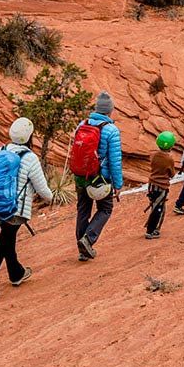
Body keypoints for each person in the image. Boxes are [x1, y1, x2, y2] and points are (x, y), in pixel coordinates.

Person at [0, 117, 52, 301]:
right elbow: (41, 188)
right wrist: (50, 198)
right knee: (2, 246)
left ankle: (16, 273)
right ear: (29, 137)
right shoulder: (30, 158)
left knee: (7, 240)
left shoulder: (0, 150)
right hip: (16, 210)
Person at [75, 91, 124, 262]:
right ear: (110, 111)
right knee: (105, 209)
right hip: (100, 179)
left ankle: (82, 250)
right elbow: (115, 161)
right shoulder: (111, 130)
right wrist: (118, 185)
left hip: (81, 176)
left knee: (83, 211)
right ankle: (87, 240)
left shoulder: (82, 124)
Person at [145, 131, 176, 239]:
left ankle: (151, 228)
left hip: (152, 184)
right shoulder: (169, 159)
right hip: (161, 186)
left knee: (154, 205)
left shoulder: (153, 155)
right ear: (171, 146)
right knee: (159, 208)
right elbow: (172, 174)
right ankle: (151, 230)